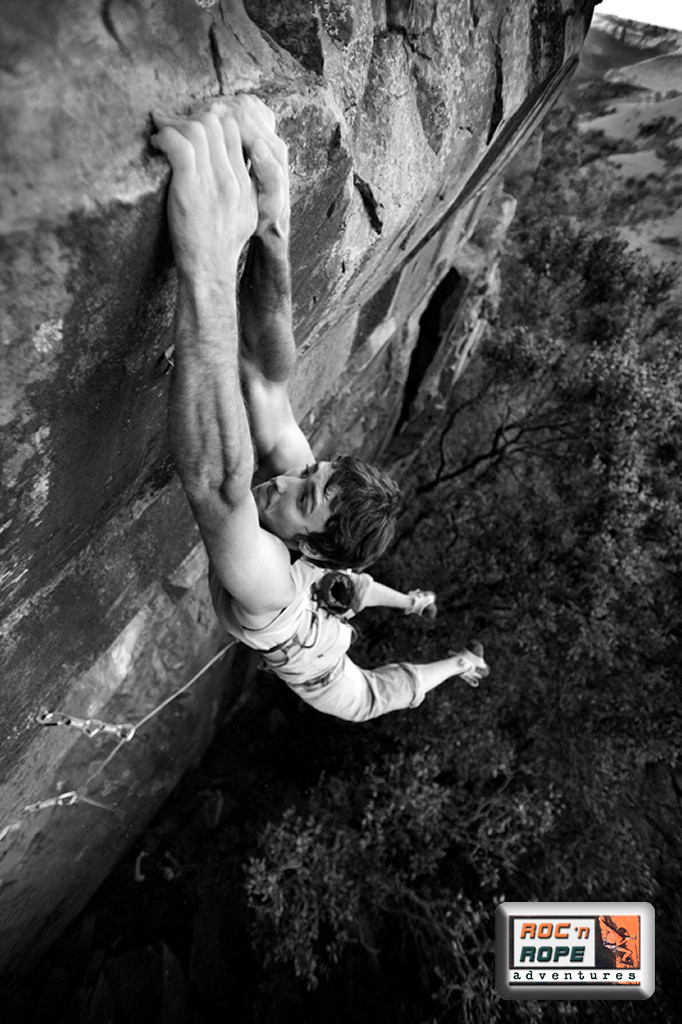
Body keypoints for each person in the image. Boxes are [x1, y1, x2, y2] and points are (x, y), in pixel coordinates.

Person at [151, 97, 489, 722]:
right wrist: (272, 222)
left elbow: (220, 486)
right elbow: (267, 380)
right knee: (354, 591)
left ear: (311, 547)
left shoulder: (269, 586)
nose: (286, 481)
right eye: (313, 473)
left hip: (334, 674)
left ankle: (458, 664)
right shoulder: (310, 520)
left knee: (381, 697)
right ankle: (413, 604)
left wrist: (210, 264)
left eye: (304, 496)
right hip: (330, 598)